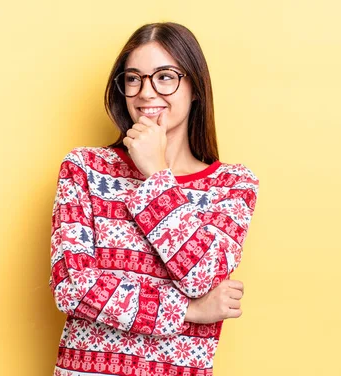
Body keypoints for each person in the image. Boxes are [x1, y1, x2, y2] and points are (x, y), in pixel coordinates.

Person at [49, 22, 259, 376]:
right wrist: (189, 311)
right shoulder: (85, 168)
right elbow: (72, 288)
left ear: (195, 88)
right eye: (133, 79)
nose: (146, 92)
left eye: (165, 77)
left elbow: (202, 277)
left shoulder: (233, 185)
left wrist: (156, 176)